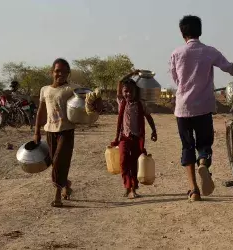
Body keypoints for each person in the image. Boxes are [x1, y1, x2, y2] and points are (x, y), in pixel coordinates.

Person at [170, 15, 233, 201]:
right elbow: (229, 68)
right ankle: (203, 161)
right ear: (200, 32)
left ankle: (194, 190)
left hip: (182, 108)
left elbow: (176, 79)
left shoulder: (177, 53)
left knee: (187, 147)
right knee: (204, 144)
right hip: (203, 107)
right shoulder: (209, 51)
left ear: (182, 33)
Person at [34, 58, 101, 207]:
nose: (60, 74)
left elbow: (90, 97)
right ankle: (66, 183)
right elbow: (41, 111)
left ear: (68, 73)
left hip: (66, 130)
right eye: (57, 71)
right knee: (55, 162)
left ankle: (57, 195)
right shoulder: (45, 90)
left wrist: (96, 102)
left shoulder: (72, 88)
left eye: (64, 71)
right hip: (50, 130)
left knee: (59, 161)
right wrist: (36, 131)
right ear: (52, 72)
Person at [111, 70, 157, 198]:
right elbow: (120, 82)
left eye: (131, 91)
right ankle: (127, 185)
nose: (128, 93)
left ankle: (133, 189)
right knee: (123, 161)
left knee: (135, 163)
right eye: (126, 91)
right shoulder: (121, 102)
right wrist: (133, 73)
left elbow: (148, 117)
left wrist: (154, 130)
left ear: (136, 92)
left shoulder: (141, 104)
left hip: (137, 139)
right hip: (124, 138)